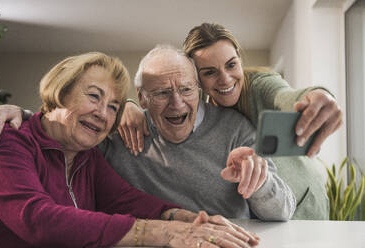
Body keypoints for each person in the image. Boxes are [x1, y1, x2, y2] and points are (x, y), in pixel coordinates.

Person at [0, 46, 296, 222]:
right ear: (142, 97)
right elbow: (70, 132)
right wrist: (24, 116)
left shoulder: (235, 128)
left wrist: (261, 181)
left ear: (198, 90)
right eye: (162, 93)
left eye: (186, 90)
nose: (177, 103)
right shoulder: (121, 130)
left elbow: (282, 212)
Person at [110, 23, 342, 220]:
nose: (224, 79)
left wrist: (319, 94)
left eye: (231, 65)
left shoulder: (256, 90)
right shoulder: (137, 125)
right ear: (197, 78)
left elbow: (285, 96)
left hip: (306, 201)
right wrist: (124, 105)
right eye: (210, 72)